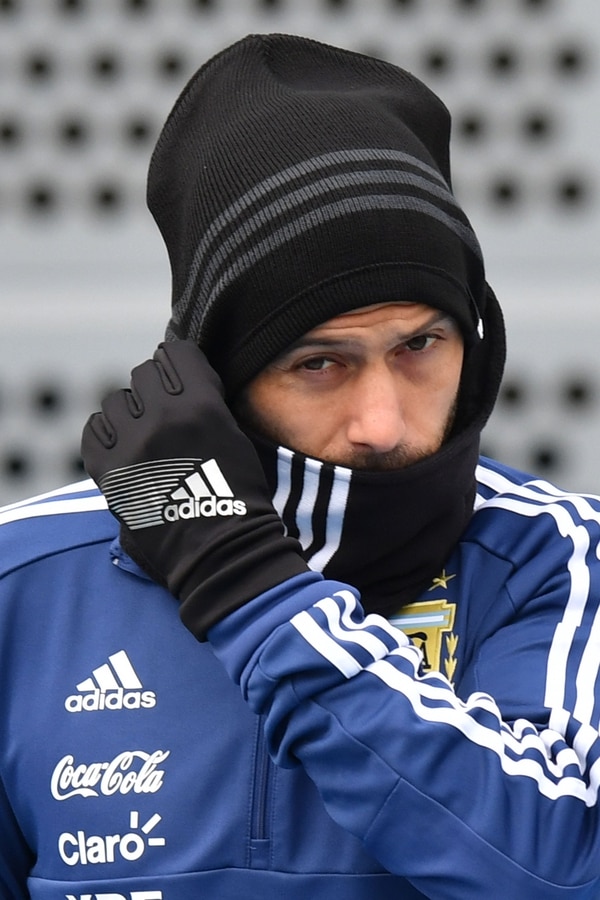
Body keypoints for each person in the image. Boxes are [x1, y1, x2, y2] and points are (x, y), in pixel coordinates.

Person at [2, 32, 600, 900]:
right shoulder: (26, 583)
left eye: (420, 345)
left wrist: (245, 586)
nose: (382, 423)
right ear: (216, 373)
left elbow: (560, 872)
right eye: (319, 363)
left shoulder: (560, 559)